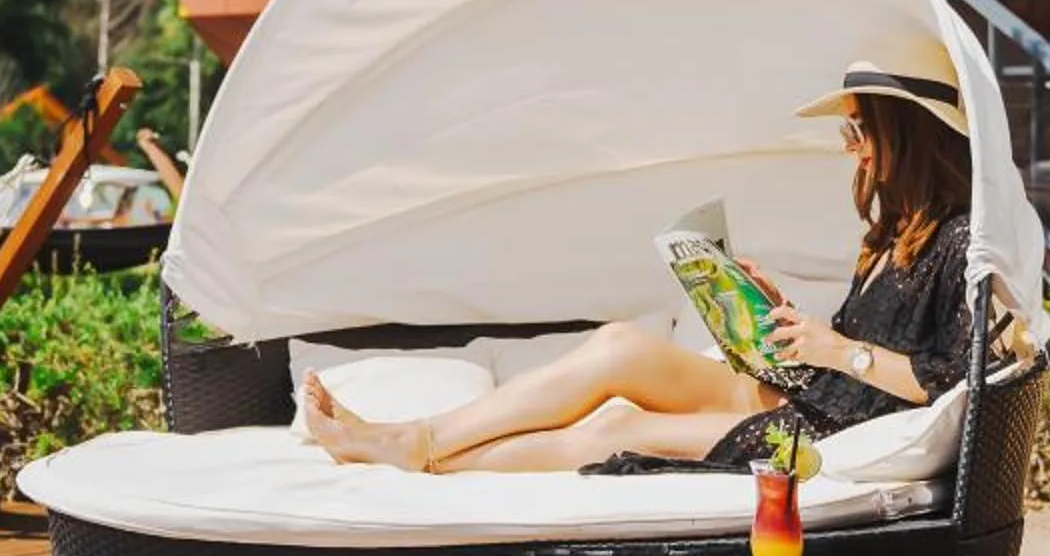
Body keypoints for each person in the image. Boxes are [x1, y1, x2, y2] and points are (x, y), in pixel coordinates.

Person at [299, 42, 980, 474]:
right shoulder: (893, 232)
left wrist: (837, 352)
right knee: (621, 347)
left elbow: (947, 376)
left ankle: (418, 453)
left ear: (906, 135)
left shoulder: (958, 240)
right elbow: (852, 349)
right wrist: (776, 319)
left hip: (825, 425)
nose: (850, 147)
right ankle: (417, 435)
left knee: (618, 426)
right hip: (810, 390)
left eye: (859, 129)